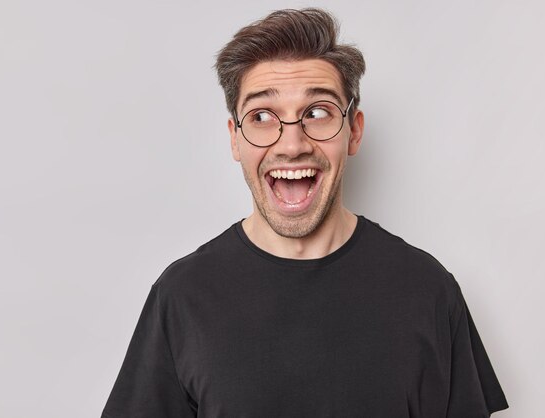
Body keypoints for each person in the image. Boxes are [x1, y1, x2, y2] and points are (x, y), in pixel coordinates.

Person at [101, 8, 509, 418]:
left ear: (353, 131)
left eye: (317, 112)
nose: (292, 144)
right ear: (234, 140)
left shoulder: (429, 290)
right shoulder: (183, 295)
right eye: (261, 116)